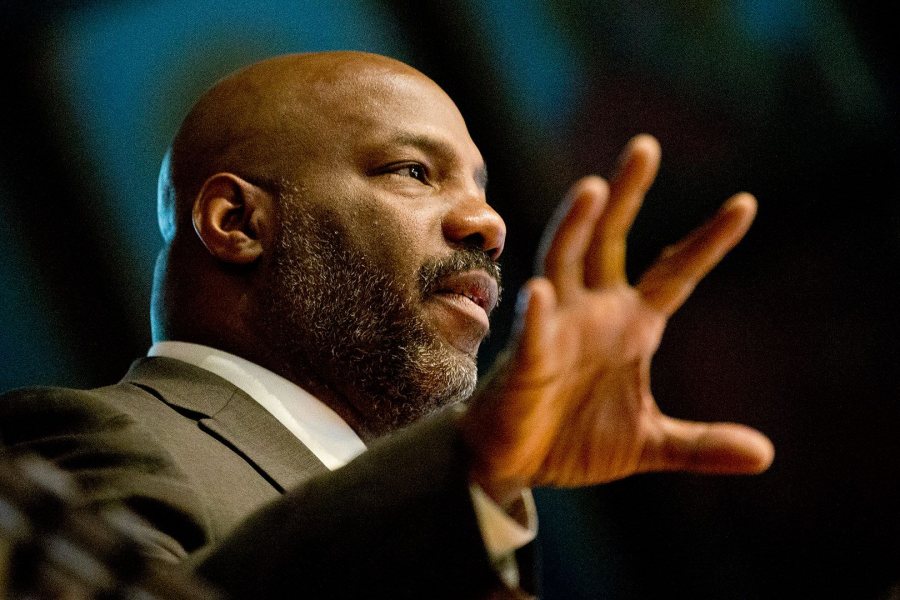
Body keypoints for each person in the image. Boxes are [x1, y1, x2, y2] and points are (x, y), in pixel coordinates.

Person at [0, 51, 774, 598]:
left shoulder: (461, 521)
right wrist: (465, 472)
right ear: (236, 221)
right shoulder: (90, 436)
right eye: (413, 171)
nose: (489, 223)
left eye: (480, 186)